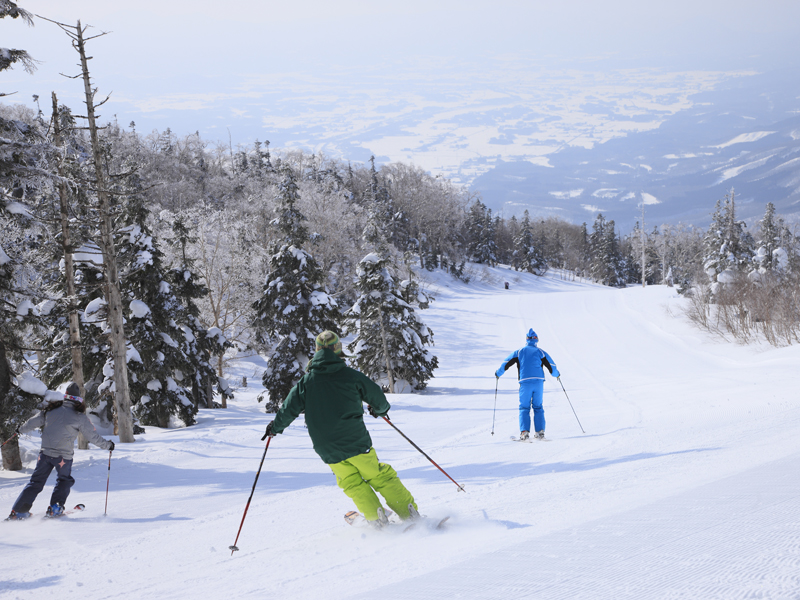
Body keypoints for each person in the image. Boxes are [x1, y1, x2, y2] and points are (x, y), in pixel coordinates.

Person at [263, 330, 419, 528]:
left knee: (351, 482)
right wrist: (379, 410)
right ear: (338, 351)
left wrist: (274, 428)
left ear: (317, 351)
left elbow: (288, 409)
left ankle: (376, 517)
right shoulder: (351, 376)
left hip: (326, 447)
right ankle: (409, 513)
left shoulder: (306, 382)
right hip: (355, 441)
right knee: (378, 475)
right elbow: (378, 399)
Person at [6, 382, 115, 520]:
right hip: (63, 457)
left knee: (36, 482)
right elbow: (92, 436)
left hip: (45, 454)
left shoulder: (50, 410)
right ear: (78, 399)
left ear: (66, 396)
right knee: (64, 480)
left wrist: (19, 430)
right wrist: (108, 445)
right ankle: (55, 508)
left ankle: (19, 511)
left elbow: (32, 423)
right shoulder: (79, 417)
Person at [495, 328, 560, 441]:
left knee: (524, 407)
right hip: (538, 382)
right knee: (538, 406)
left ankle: (524, 432)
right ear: (536, 340)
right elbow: (552, 365)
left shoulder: (519, 352)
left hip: (525, 383)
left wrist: (498, 373)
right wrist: (557, 375)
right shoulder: (541, 352)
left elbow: (506, 362)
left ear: (526, 340)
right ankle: (540, 432)